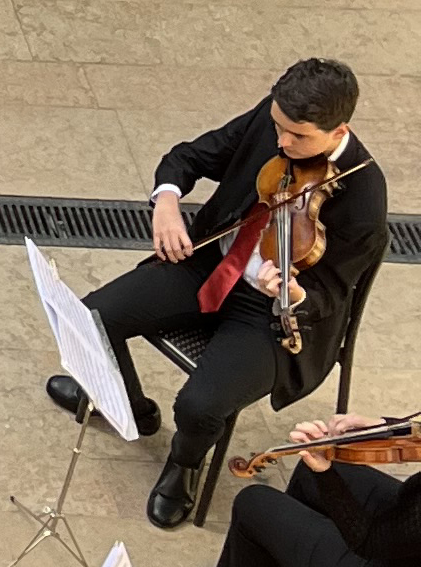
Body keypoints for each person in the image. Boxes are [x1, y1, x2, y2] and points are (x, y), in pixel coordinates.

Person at [46, 58, 386, 526]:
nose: (282, 143)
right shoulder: (274, 119)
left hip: (274, 316)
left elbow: (333, 294)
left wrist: (293, 290)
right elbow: (191, 155)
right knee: (91, 316)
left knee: (199, 405)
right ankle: (130, 406)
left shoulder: (364, 193)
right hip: (212, 266)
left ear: (337, 130)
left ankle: (183, 465)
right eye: (278, 128)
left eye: (298, 136)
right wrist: (166, 200)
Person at [185, 411, 421, 567]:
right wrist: (388, 427)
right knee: (310, 475)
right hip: (406, 557)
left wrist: (326, 474)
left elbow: (367, 540)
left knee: (254, 505)